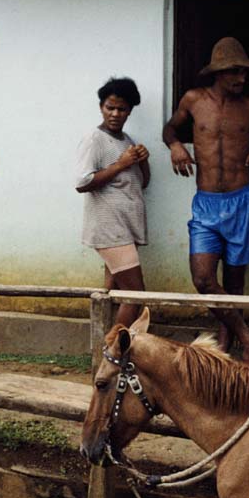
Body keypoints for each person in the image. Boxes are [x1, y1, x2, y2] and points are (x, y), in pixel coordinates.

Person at [162, 37, 249, 366]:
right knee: (204, 279)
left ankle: (229, 342)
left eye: (244, 72)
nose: (242, 78)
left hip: (241, 201)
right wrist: (176, 146)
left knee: (235, 283)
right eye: (235, 72)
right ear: (218, 72)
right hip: (205, 204)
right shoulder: (193, 100)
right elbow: (170, 128)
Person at [76, 77, 150, 329]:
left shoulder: (127, 140)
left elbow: (142, 183)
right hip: (110, 228)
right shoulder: (94, 139)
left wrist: (142, 160)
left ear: (130, 111)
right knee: (135, 295)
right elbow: (82, 182)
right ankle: (113, 351)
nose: (115, 114)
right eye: (110, 107)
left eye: (122, 109)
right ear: (101, 107)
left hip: (126, 228)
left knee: (111, 292)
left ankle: (101, 344)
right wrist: (121, 163)